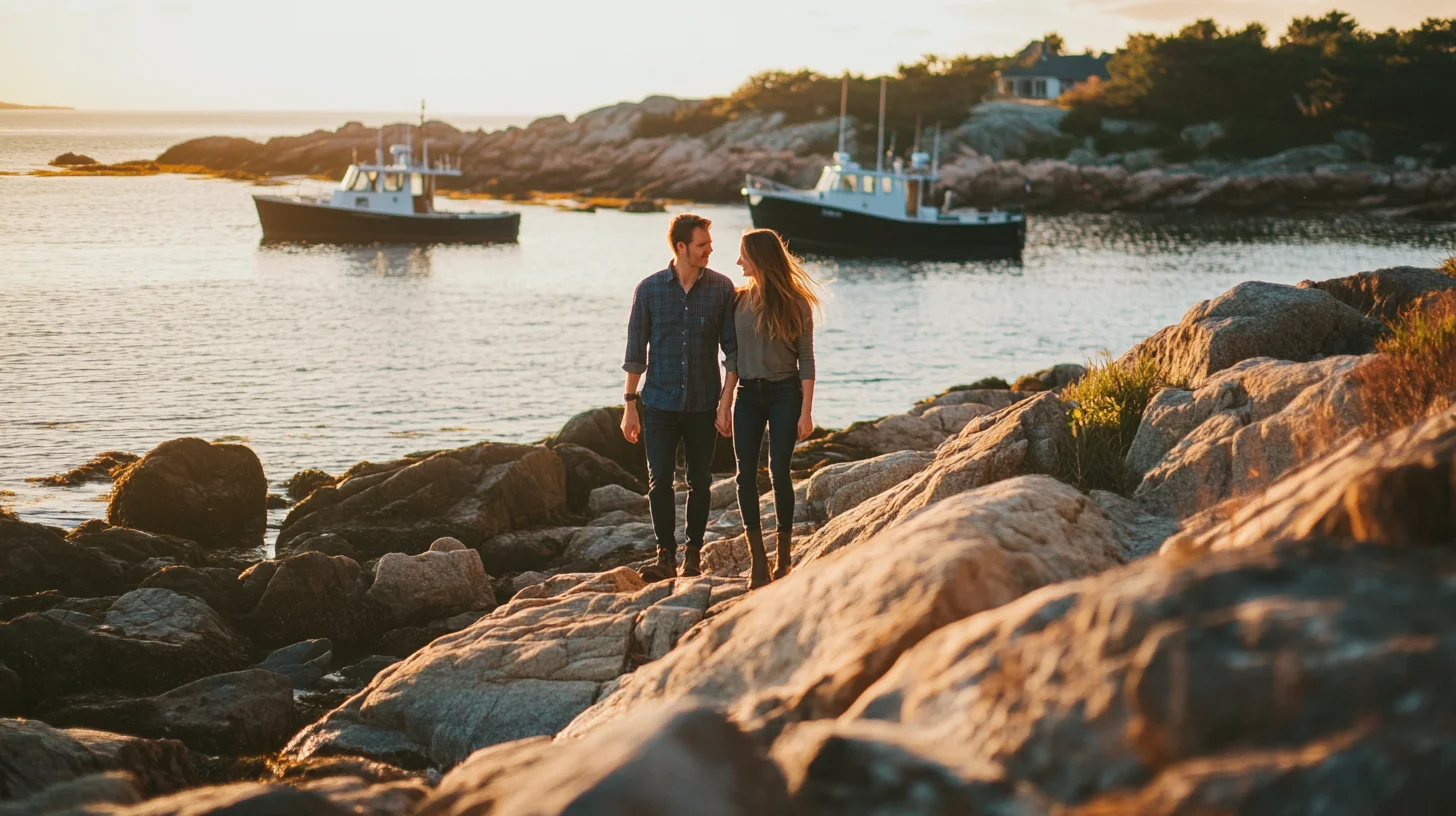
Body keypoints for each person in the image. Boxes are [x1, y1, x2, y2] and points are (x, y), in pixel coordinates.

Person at [621, 213, 738, 582]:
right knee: (660, 481)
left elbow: (732, 351)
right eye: (703, 244)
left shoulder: (722, 288)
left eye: (710, 243)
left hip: (704, 404)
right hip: (658, 403)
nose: (710, 250)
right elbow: (635, 352)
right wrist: (629, 405)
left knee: (700, 482)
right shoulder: (649, 289)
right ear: (681, 246)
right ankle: (665, 555)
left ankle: (693, 556)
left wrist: (726, 402)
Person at [717, 229, 821, 589]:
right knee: (744, 476)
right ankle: (758, 560)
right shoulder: (737, 301)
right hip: (747, 395)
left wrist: (806, 411)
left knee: (779, 471)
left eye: (743, 255)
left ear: (760, 258)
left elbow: (806, 360)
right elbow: (732, 358)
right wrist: (725, 402)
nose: (738, 261)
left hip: (784, 394)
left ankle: (784, 556)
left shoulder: (796, 303)